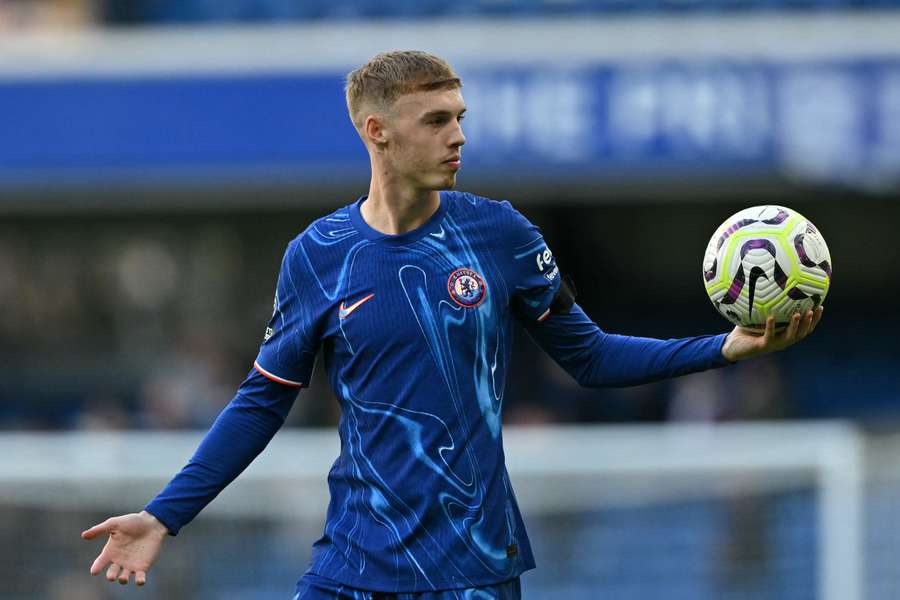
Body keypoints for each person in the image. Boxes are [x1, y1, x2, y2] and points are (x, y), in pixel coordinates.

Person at [81, 50, 823, 599]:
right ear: (377, 131)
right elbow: (261, 399)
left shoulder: (500, 236)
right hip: (351, 566)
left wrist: (725, 346)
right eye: (436, 120)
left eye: (459, 117)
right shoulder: (319, 255)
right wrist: (163, 516)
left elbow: (591, 357)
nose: (457, 135)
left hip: (473, 570)